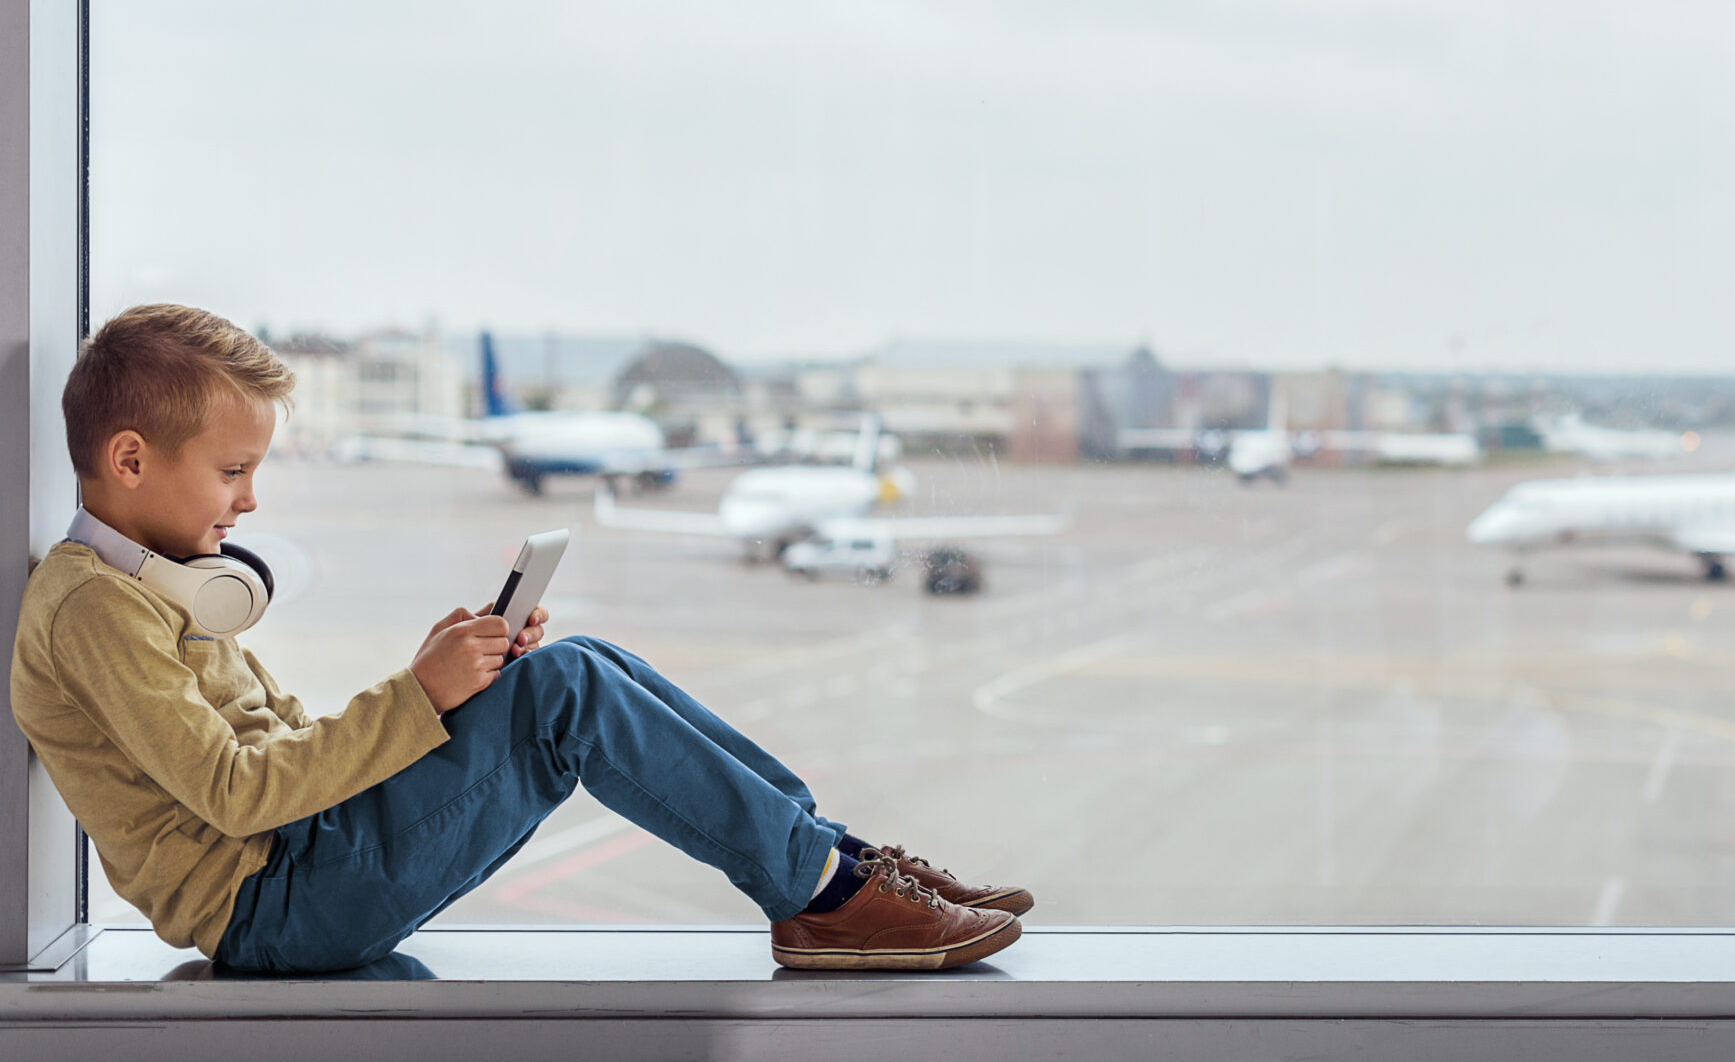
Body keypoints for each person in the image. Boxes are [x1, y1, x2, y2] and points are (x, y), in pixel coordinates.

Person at [9, 303, 1027, 973]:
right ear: (131, 458)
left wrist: (437, 679)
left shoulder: (148, 585)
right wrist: (417, 698)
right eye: (232, 470)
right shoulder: (95, 605)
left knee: (579, 667)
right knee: (570, 692)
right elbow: (236, 790)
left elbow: (265, 761)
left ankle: (833, 863)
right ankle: (828, 894)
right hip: (275, 906)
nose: (251, 495)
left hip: (305, 861)